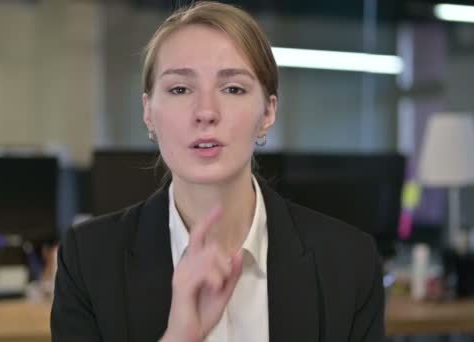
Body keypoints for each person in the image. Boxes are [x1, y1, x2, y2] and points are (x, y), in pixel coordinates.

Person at [50, 2, 385, 341]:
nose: (206, 112)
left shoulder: (348, 262)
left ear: (268, 112)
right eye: (180, 89)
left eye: (233, 89)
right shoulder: (88, 260)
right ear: (148, 112)